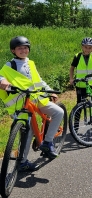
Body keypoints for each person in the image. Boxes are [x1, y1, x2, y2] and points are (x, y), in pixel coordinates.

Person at [0, 36, 64, 171]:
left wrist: (49, 90)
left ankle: (47, 142)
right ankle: (22, 162)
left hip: (37, 99)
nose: (23, 50)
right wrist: (4, 83)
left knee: (59, 112)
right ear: (13, 51)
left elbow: (38, 80)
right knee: (27, 132)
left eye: (25, 48)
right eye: (19, 48)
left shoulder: (31, 63)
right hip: (21, 104)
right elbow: (1, 77)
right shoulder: (9, 65)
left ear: (28, 49)